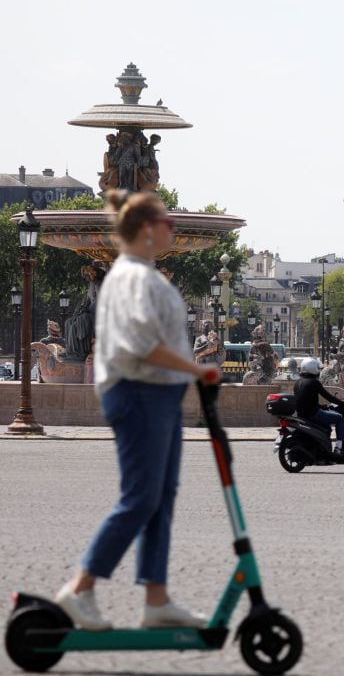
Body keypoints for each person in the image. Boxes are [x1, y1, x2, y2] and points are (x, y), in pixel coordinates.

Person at [55, 189, 220, 632]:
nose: (172, 228)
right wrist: (196, 369)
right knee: (141, 498)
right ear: (147, 229)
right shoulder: (131, 277)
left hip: (157, 394)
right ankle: (80, 588)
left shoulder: (145, 275)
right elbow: (140, 345)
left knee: (160, 498)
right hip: (137, 390)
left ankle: (156, 598)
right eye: (166, 221)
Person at [294, 357, 344, 454]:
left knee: (327, 426)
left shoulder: (298, 382)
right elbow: (329, 397)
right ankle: (338, 447)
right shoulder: (314, 382)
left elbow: (306, 400)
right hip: (313, 414)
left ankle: (323, 446)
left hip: (301, 414)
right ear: (313, 368)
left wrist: (322, 407)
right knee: (339, 418)